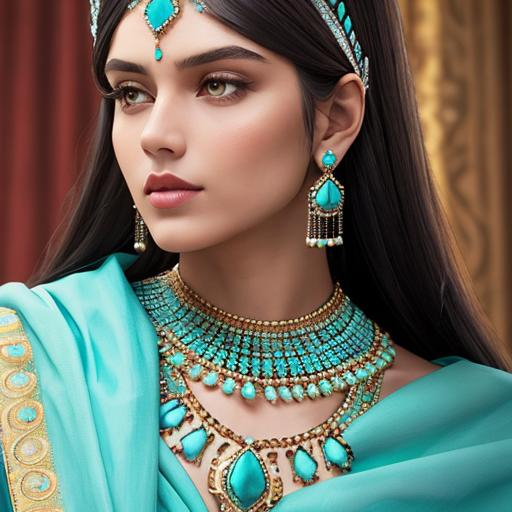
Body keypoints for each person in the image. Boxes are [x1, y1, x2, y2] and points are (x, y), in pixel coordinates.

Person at [1, 0, 511, 511]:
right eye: (132, 94)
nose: (155, 135)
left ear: (335, 119)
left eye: (218, 84)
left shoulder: (484, 441)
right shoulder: (31, 368)